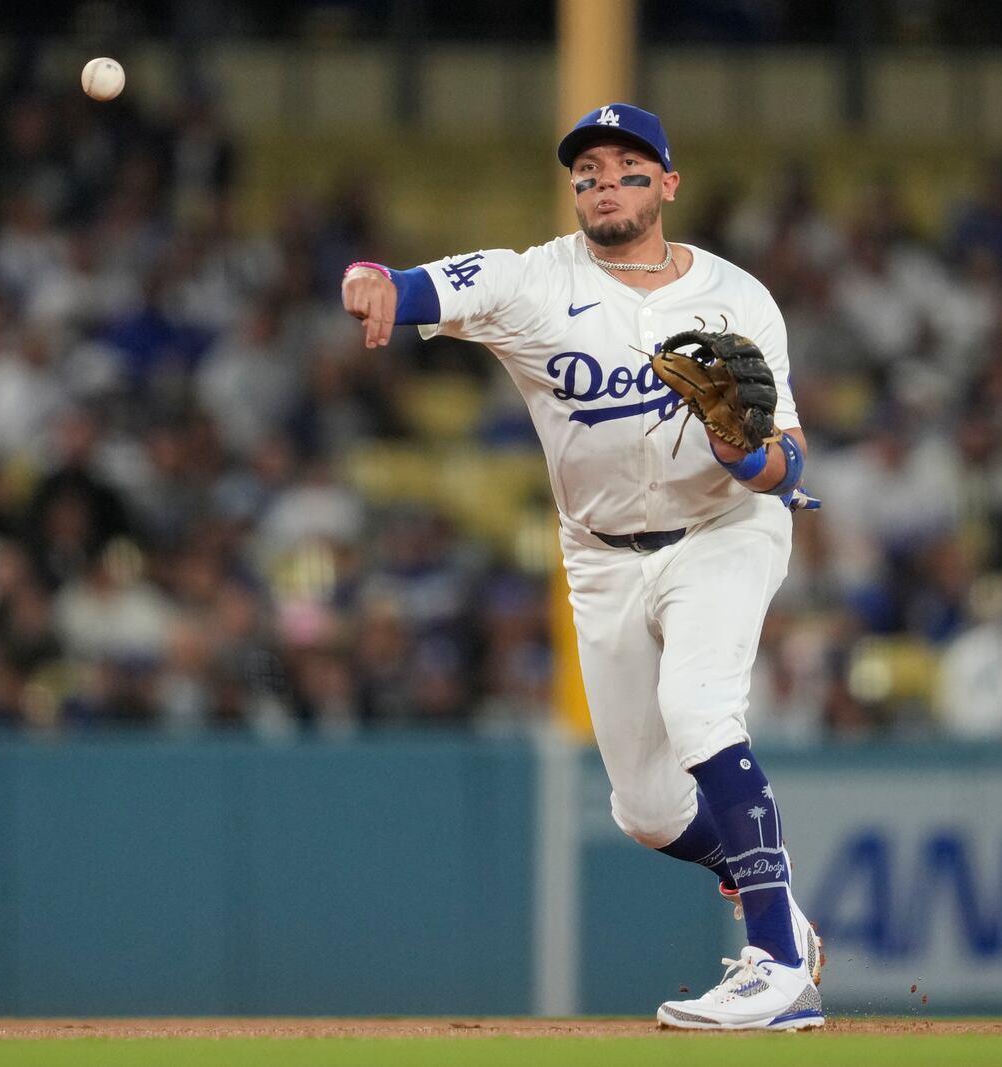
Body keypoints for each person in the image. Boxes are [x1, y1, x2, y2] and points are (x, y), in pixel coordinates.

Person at [342, 103, 823, 1030]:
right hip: (600, 554)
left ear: (668, 185)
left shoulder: (738, 296)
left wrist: (739, 450)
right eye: (589, 169)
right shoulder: (531, 281)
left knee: (699, 708)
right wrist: (371, 282)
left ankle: (775, 963)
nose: (605, 181)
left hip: (725, 528)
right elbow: (411, 283)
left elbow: (789, 464)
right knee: (644, 808)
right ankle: (781, 910)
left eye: (629, 167)